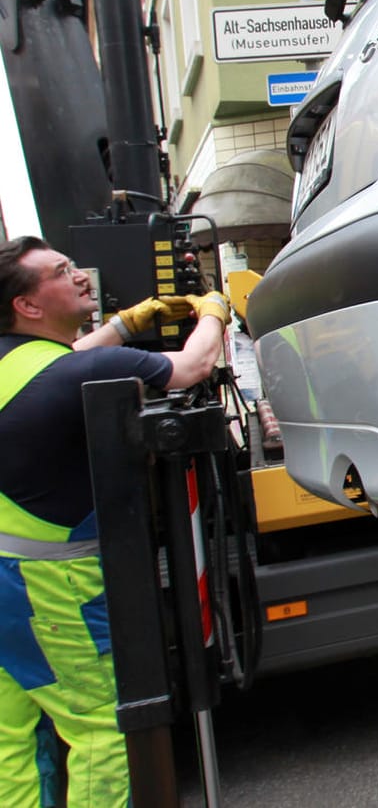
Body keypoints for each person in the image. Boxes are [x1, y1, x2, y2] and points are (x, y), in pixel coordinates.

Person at [0, 236, 228, 807]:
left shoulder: (19, 363)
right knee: (103, 724)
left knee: (15, 738)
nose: (80, 275)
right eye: (61, 271)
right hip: (50, 591)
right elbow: (193, 366)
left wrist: (127, 325)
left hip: (8, 584)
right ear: (27, 305)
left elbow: (68, 365)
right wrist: (214, 311)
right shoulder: (80, 371)